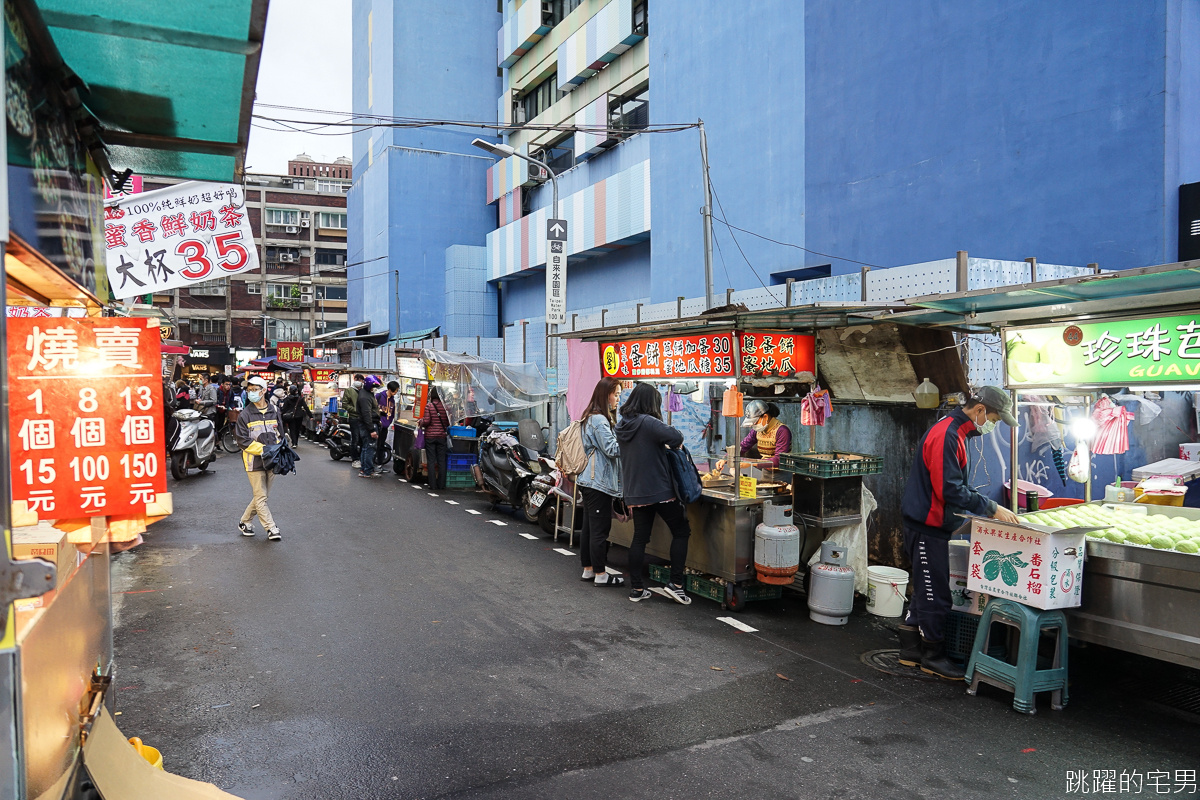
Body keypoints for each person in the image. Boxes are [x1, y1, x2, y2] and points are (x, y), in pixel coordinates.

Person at [899, 385, 1021, 680]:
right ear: (979, 410)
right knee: (935, 594)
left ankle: (910, 651)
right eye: (994, 418)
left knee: (925, 589)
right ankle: (932, 655)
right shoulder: (947, 434)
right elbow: (949, 489)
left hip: (931, 525)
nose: (992, 424)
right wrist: (992, 508)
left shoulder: (955, 431)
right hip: (926, 526)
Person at [615, 383, 692, 604]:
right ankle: (676, 584)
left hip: (636, 492)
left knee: (640, 538)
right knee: (681, 531)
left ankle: (637, 589)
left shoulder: (623, 424)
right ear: (651, 403)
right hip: (659, 490)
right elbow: (676, 438)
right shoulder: (648, 422)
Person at [577, 377, 625, 587]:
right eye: (616, 394)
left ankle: (588, 569)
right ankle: (600, 574)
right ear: (606, 395)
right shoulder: (598, 420)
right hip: (598, 482)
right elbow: (612, 450)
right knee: (599, 530)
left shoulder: (592, 416)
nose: (618, 399)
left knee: (589, 527)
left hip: (590, 480)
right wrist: (630, 441)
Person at [235, 376, 285, 541]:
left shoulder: (275, 411)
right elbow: (243, 441)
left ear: (264, 390)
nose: (251, 393)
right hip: (254, 461)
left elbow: (280, 435)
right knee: (261, 496)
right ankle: (271, 528)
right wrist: (265, 449)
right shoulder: (245, 415)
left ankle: (245, 521)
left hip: (272, 460)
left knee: (261, 496)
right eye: (249, 390)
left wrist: (281, 450)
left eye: (254, 389)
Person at [740, 400, 792, 467]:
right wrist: (727, 458)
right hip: (765, 470)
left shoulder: (782, 431)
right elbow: (743, 446)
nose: (753, 424)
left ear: (765, 417)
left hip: (781, 473)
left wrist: (751, 463)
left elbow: (779, 459)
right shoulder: (757, 430)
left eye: (755, 421)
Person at [419, 386, 451, 490]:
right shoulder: (446, 407)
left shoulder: (429, 406)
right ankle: (441, 484)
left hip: (430, 437)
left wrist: (421, 422)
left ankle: (432, 484)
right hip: (442, 436)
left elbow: (427, 421)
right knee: (441, 460)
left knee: (431, 460)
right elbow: (448, 422)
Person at [355, 375, 382, 478]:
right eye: (373, 386)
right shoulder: (365, 397)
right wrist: (371, 429)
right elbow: (366, 414)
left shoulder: (365, 394)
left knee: (366, 447)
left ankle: (364, 469)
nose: (373, 388)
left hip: (366, 424)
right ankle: (367, 470)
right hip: (368, 425)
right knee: (370, 447)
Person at [376, 380, 400, 475]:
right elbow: (372, 409)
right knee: (375, 445)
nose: (395, 393)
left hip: (385, 427)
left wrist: (389, 421)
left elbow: (392, 413)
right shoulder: (379, 396)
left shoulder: (392, 400)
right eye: (395, 391)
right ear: (390, 389)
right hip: (377, 425)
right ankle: (371, 465)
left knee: (381, 446)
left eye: (397, 391)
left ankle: (379, 465)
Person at [341, 377, 363, 469]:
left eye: (362, 381)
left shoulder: (363, 390)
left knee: (363, 439)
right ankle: (355, 459)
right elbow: (345, 404)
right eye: (359, 380)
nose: (361, 382)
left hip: (363, 418)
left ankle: (362, 458)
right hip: (354, 417)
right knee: (355, 438)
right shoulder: (349, 391)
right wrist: (355, 410)